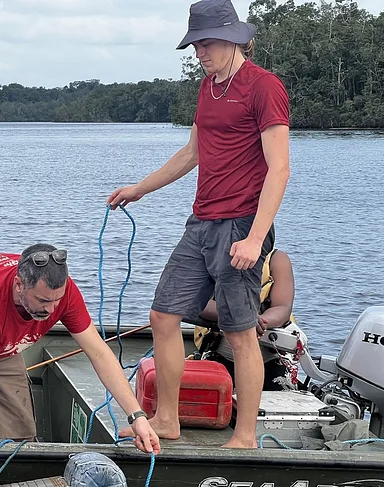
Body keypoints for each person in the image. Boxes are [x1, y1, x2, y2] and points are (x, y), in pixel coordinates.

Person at [107, 0, 291, 448]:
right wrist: (141, 187)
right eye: (195, 45)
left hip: (241, 225)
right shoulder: (208, 87)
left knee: (240, 332)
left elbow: (279, 168)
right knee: (163, 315)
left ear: (233, 39)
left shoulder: (264, 87)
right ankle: (167, 420)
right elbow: (192, 153)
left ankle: (245, 435)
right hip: (201, 223)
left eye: (207, 44)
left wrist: (253, 238)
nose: (200, 54)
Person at [0, 243, 160, 487]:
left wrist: (137, 417)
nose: (51, 309)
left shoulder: (61, 294)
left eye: (57, 300)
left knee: (20, 435)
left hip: (4, 343)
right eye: (43, 301)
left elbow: (99, 353)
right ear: (19, 284)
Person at [194, 248, 297, 390]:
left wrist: (260, 321)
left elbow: (283, 307)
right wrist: (241, 317)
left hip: (269, 356)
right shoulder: (209, 254)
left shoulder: (277, 259)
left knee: (281, 395)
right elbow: (200, 303)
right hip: (219, 352)